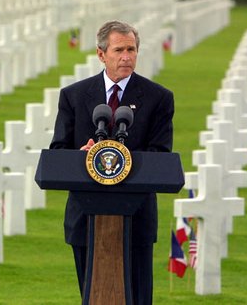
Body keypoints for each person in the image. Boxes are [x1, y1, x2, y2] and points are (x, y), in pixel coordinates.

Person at [49, 20, 174, 304]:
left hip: (136, 217)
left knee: (138, 296)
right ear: (101, 54)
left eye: (131, 49)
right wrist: (83, 155)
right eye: (119, 50)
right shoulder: (74, 96)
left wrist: (122, 159)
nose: (126, 56)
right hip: (86, 216)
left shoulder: (158, 98)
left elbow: (161, 154)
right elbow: (58, 150)